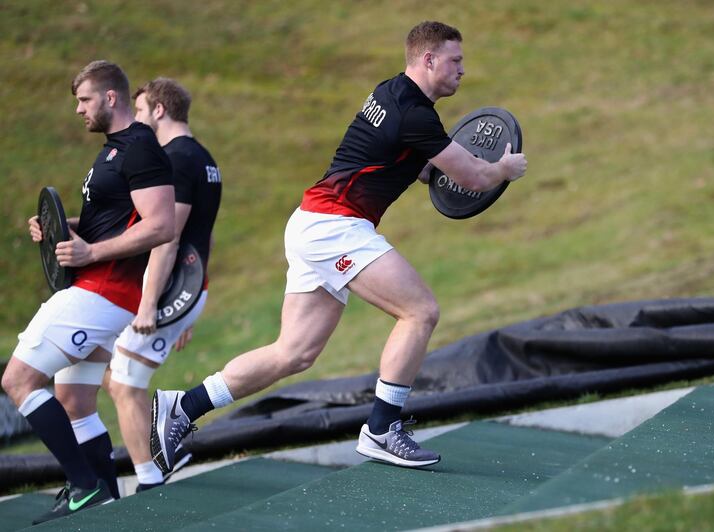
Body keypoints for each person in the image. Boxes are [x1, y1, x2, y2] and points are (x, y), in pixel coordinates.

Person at [151, 20, 526, 472]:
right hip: (336, 227)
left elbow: (412, 160)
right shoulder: (416, 115)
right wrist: (504, 168)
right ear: (428, 60)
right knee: (420, 311)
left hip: (312, 222)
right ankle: (383, 428)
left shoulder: (391, 92)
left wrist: (437, 167)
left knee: (294, 353)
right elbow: (473, 176)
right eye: (455, 60)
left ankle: (183, 406)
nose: (462, 70)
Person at [1, 60, 174, 524]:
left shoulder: (139, 148)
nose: (78, 110)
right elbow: (115, 218)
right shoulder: (114, 150)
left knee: (17, 381)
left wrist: (90, 251)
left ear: (111, 97)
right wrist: (61, 227)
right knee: (75, 401)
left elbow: (161, 225)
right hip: (100, 291)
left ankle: (83, 487)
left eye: (84, 100)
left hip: (101, 291)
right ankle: (107, 500)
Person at [107, 77, 222, 492]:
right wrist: (193, 300)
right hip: (186, 289)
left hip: (169, 291)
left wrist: (150, 305)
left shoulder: (174, 159)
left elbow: (168, 237)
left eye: (139, 111)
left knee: (123, 382)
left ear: (159, 110)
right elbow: (204, 237)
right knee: (117, 376)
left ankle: (151, 478)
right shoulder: (206, 159)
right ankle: (155, 456)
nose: (136, 119)